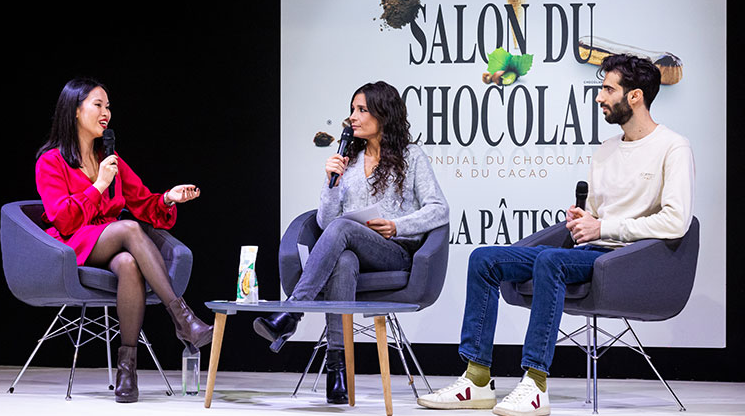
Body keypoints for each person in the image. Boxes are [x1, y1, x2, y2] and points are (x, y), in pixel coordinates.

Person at [418, 54, 695, 415]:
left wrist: (604, 226)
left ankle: (535, 384)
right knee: (484, 258)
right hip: (590, 251)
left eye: (608, 89)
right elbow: (598, 214)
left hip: (628, 262)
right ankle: (477, 379)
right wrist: (587, 218)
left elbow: (676, 222)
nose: (599, 97)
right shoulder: (606, 150)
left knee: (551, 261)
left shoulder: (673, 147)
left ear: (635, 96)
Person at [253, 81, 449, 404]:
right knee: (343, 261)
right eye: (352, 110)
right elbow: (327, 225)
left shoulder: (411, 157)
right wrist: (331, 184)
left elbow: (439, 209)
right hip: (353, 250)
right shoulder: (351, 161)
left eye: (361, 110)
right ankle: (337, 371)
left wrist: (396, 226)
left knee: (345, 230)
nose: (352, 118)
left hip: (395, 252)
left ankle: (292, 312)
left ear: (383, 115)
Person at [35, 77, 214, 403]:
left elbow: (144, 204)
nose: (106, 113)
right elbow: (63, 218)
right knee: (130, 229)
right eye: (98, 105)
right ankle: (182, 318)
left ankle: (127, 371)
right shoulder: (51, 162)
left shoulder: (110, 157)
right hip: (71, 244)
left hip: (108, 242)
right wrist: (99, 185)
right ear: (75, 111)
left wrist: (169, 198)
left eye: (108, 106)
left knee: (130, 263)